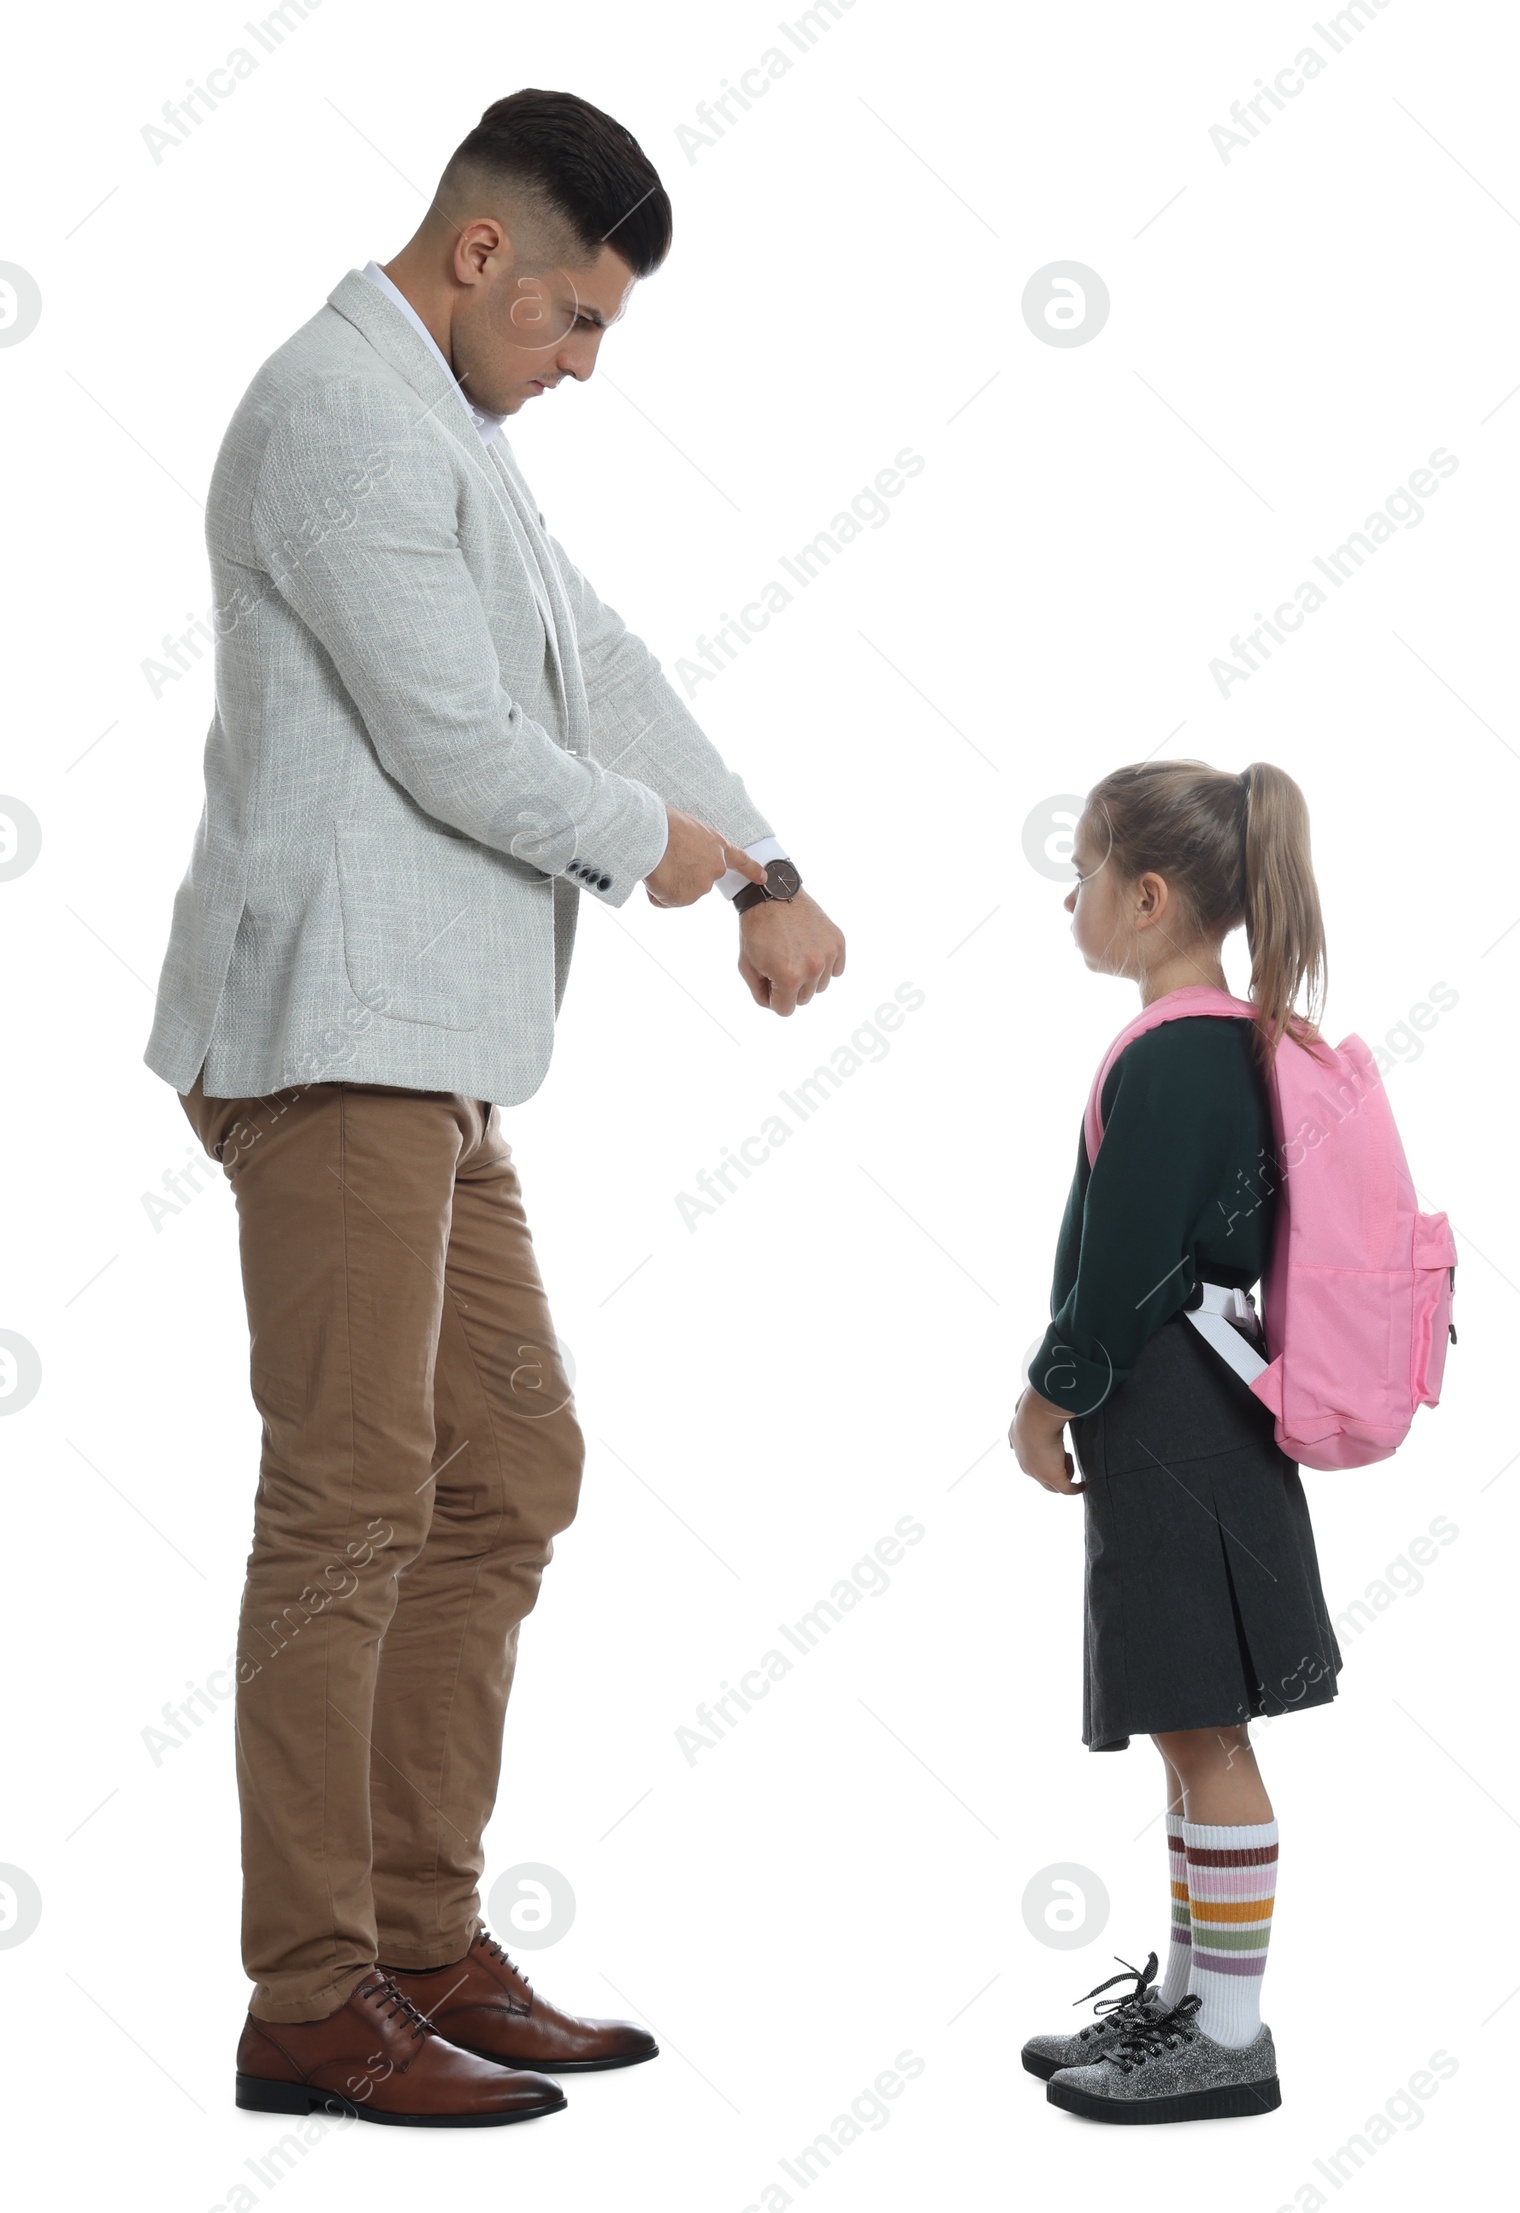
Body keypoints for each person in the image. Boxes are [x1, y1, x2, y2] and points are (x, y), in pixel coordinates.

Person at [144, 87, 845, 2127]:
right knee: (353, 1500)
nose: (580, 365)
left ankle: (418, 1932)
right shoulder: (339, 418)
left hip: (432, 1055)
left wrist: (770, 857)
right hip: (331, 1045)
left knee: (506, 1466)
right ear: (479, 258)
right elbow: (463, 747)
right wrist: (684, 864)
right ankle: (309, 1996)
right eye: (572, 320)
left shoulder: (446, 423)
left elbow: (587, 660)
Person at [1008, 759, 1341, 2125]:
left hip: (1180, 1420)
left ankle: (1232, 2032)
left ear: (1145, 897)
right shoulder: (1223, 1039)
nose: (1067, 896)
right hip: (1202, 1416)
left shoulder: (1177, 1054)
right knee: (1185, 1719)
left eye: (1079, 871)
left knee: (1207, 1729)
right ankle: (1195, 2001)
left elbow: (1126, 1267)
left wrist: (1048, 1393)